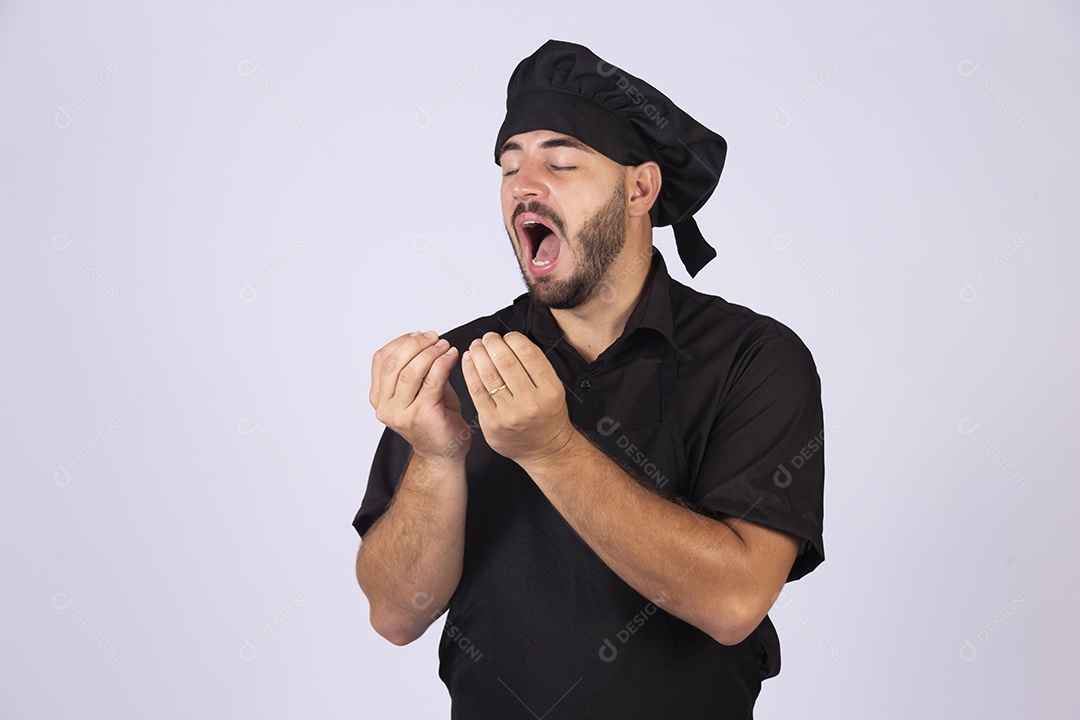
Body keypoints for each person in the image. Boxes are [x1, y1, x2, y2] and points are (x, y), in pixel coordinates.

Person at [353, 39, 826, 719]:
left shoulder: (753, 358)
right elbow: (395, 614)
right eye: (509, 166)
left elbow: (733, 602)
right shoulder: (459, 363)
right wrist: (436, 456)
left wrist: (552, 449)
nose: (524, 185)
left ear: (640, 188)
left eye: (562, 161)